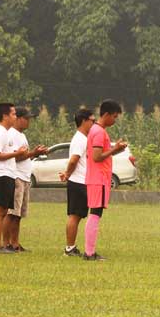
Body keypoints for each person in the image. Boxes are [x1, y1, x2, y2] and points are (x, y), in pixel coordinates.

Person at [83, 100, 128, 261]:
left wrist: (115, 150)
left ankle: (90, 251)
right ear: (106, 114)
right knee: (95, 214)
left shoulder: (97, 130)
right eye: (114, 117)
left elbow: (102, 155)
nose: (115, 120)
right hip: (98, 178)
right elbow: (96, 157)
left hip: (98, 178)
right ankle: (89, 253)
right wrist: (114, 149)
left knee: (96, 213)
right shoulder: (99, 132)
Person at [6, 108, 47, 253]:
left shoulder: (21, 135)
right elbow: (15, 157)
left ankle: (15, 243)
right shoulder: (12, 134)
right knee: (11, 213)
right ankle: (7, 244)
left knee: (18, 215)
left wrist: (35, 153)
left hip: (24, 177)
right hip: (16, 176)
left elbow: (25, 155)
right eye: (26, 118)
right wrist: (34, 153)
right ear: (18, 118)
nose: (29, 121)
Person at [0, 103, 28, 254]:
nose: (15, 117)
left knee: (4, 211)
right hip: (0, 174)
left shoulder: (7, 132)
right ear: (5, 116)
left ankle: (1, 245)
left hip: (9, 174)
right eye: (13, 114)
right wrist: (16, 154)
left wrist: (16, 153)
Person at [59, 108, 95, 257]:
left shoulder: (84, 138)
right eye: (92, 121)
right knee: (74, 216)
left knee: (78, 215)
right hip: (78, 182)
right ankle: (69, 248)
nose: (94, 123)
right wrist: (67, 174)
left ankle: (71, 247)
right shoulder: (79, 139)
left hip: (82, 181)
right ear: (84, 121)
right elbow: (74, 160)